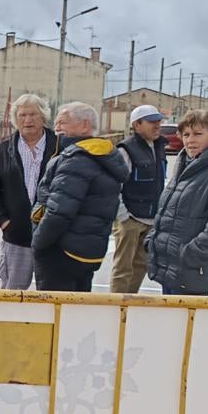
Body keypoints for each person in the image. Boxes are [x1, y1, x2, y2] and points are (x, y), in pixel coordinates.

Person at [30, 102, 128, 292]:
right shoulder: (102, 156)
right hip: (87, 252)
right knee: (77, 311)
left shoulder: (76, 159)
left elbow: (59, 210)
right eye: (56, 123)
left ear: (85, 125)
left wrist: (38, 243)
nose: (57, 128)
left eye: (63, 123)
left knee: (55, 313)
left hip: (62, 252)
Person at [147, 110, 208, 296]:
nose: (190, 140)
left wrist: (190, 254)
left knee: (185, 324)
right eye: (186, 134)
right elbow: (168, 209)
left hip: (192, 271)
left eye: (198, 134)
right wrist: (153, 240)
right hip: (170, 269)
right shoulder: (185, 163)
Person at [0, 93, 57, 289]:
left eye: (33, 114)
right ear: (15, 119)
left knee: (52, 294)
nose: (28, 120)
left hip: (54, 236)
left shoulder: (60, 147)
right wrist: (1, 219)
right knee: (12, 293)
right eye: (22, 115)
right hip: (17, 235)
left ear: (43, 117)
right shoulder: (4, 150)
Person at [109, 105, 168, 294]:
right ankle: (116, 309)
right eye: (152, 121)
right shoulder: (125, 150)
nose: (157, 125)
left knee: (141, 266)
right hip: (130, 219)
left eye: (158, 121)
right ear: (137, 124)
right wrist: (124, 216)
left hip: (151, 219)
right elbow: (115, 186)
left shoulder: (159, 147)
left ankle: (129, 303)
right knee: (123, 268)